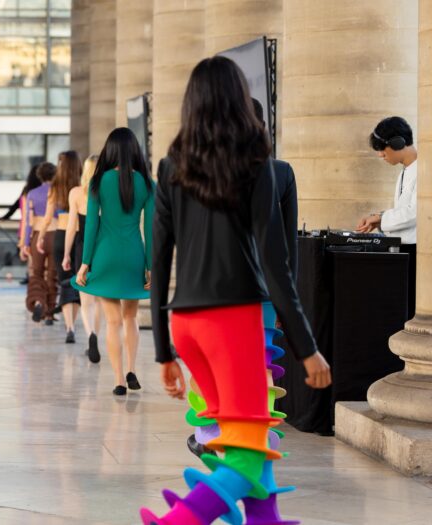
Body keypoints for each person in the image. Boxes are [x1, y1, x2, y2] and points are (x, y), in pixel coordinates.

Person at [142, 56, 331, 525]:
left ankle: (265, 519)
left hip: (187, 326)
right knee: (244, 456)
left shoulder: (170, 167)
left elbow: (159, 262)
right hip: (233, 323)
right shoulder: (256, 164)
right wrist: (307, 347)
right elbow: (276, 263)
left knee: (247, 435)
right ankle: (178, 522)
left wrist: (164, 352)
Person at [74, 128, 152, 396]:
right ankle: (132, 370)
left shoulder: (99, 181)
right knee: (131, 317)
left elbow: (91, 226)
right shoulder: (145, 183)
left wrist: (85, 263)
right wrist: (150, 265)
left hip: (105, 255)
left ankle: (118, 380)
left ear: (110, 150)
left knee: (113, 321)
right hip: (134, 255)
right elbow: (150, 228)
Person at [62, 155, 104, 361]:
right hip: (104, 248)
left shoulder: (76, 193)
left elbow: (71, 227)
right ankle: (96, 334)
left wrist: (66, 254)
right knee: (101, 298)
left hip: (82, 247)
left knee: (86, 299)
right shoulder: (109, 193)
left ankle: (91, 335)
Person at [37, 150, 82, 343]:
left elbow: (48, 218)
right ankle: (73, 324)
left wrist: (40, 237)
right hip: (81, 236)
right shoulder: (82, 186)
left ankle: (69, 326)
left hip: (61, 235)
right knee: (78, 281)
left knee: (64, 281)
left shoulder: (55, 187)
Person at [357, 116, 417, 244]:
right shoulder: (405, 171)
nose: (380, 154)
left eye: (382, 148)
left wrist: (381, 218)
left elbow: (416, 213)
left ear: (398, 143)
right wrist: (379, 220)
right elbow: (404, 212)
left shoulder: (425, 171)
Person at [22, 162, 57, 323]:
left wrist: (26, 243)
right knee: (52, 275)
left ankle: (38, 302)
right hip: (56, 234)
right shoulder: (58, 192)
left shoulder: (32, 194)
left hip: (37, 236)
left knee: (37, 273)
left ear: (40, 176)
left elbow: (28, 222)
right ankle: (50, 312)